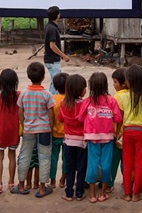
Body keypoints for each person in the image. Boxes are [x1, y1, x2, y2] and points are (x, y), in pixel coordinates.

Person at [11, 62, 54, 198]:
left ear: (28, 76)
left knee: (25, 156)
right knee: (45, 157)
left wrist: (25, 125)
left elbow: (20, 113)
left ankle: (22, 185)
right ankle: (42, 188)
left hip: (29, 130)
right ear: (43, 76)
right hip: (44, 130)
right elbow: (51, 114)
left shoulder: (23, 94)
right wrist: (50, 127)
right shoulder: (47, 94)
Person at [78, 72, 122, 203]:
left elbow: (80, 118)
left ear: (91, 86)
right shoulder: (111, 100)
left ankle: (92, 195)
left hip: (91, 137)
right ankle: (103, 193)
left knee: (92, 164)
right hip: (108, 137)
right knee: (106, 164)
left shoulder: (87, 101)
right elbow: (118, 118)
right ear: (106, 85)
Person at [117, 64, 142, 202]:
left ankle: (127, 194)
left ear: (128, 81)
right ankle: (136, 194)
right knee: (139, 164)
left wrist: (117, 134)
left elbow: (120, 120)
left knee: (127, 163)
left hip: (128, 132)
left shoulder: (123, 98)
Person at [0, 68, 20, 194]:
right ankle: (11, 182)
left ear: (0, 82)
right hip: (14, 132)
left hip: (1, 133)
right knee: (12, 156)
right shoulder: (18, 95)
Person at [58, 74, 87, 202]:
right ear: (80, 90)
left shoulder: (64, 104)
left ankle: (69, 193)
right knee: (81, 168)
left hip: (68, 141)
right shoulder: (84, 104)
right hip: (82, 141)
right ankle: (80, 193)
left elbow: (60, 119)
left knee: (70, 168)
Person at [109, 68, 128, 192]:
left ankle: (109, 184)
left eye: (115, 82)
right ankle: (126, 183)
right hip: (129, 132)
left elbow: (115, 117)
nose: (113, 85)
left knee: (114, 160)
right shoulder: (133, 95)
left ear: (124, 83)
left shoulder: (116, 97)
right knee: (126, 161)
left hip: (117, 134)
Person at [44, 6, 69, 94]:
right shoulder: (52, 29)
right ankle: (52, 102)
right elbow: (52, 46)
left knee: (54, 82)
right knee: (57, 83)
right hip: (52, 60)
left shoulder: (49, 26)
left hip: (51, 59)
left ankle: (50, 100)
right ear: (58, 16)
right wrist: (63, 55)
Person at [50, 72, 68, 189]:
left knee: (53, 158)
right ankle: (63, 179)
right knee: (66, 158)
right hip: (68, 135)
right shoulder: (70, 100)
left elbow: (50, 118)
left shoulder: (52, 100)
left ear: (55, 87)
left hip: (55, 133)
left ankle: (52, 181)